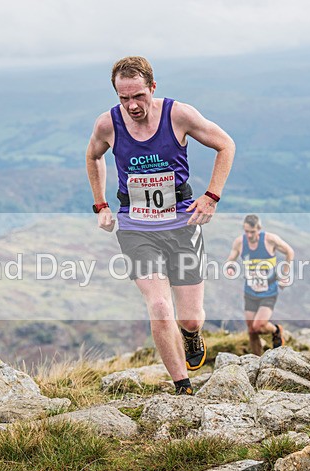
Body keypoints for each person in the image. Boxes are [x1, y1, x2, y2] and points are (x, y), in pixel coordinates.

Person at [86, 56, 235, 395]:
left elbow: (226, 145)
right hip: (136, 226)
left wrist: (211, 196)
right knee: (157, 304)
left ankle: (192, 334)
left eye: (138, 96)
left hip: (182, 223)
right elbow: (93, 156)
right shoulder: (108, 124)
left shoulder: (178, 115)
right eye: (124, 98)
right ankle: (182, 384)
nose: (132, 105)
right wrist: (101, 204)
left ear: (152, 87)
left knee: (191, 317)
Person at [224, 214, 294, 356]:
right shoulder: (239, 242)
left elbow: (289, 252)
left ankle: (276, 330)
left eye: (252, 231)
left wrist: (284, 274)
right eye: (247, 231)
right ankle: (257, 360)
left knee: (259, 325)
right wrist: (230, 267)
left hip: (269, 290)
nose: (249, 235)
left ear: (259, 229)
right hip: (250, 291)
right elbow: (230, 259)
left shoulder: (269, 240)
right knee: (251, 330)